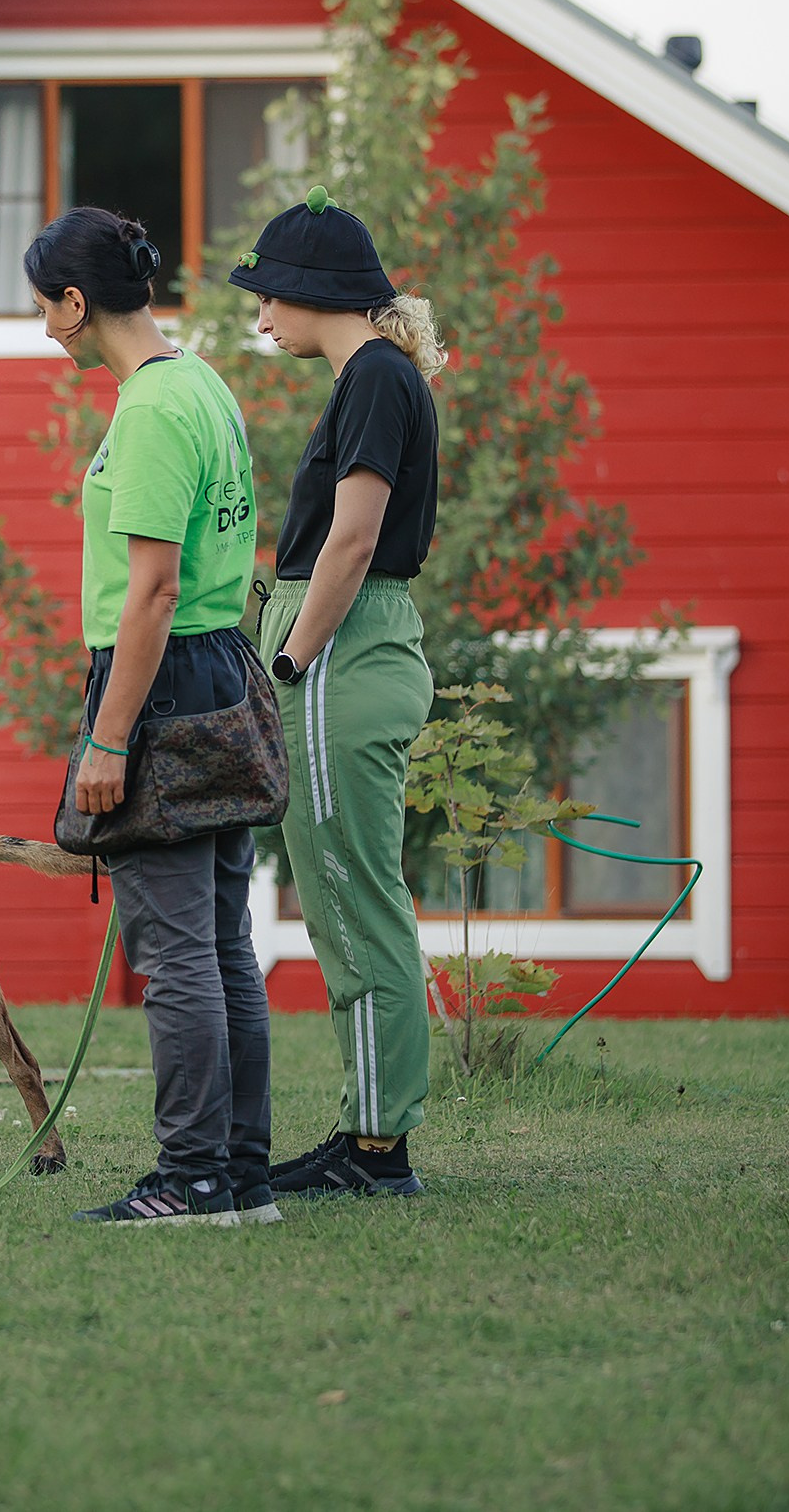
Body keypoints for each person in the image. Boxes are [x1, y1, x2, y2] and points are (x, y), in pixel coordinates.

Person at [30, 207, 278, 1227]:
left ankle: (192, 1179)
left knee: (178, 952)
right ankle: (241, 1175)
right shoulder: (202, 383)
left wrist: (107, 737)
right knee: (221, 944)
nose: (43, 326)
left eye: (44, 306)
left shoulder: (147, 412)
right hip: (220, 668)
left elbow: (152, 592)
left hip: (163, 680)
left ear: (79, 304)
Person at [233, 188, 442, 1197]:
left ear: (312, 289)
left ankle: (374, 1150)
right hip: (353, 651)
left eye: (268, 291)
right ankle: (369, 1133)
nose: (260, 313)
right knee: (353, 899)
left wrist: (289, 660)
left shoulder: (372, 379)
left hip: (341, 657)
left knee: (354, 906)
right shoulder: (373, 377)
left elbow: (352, 540)